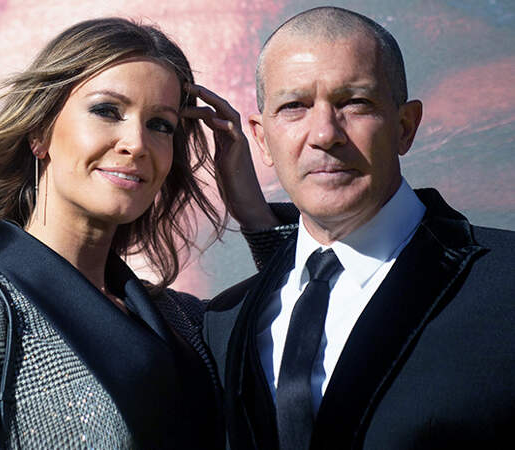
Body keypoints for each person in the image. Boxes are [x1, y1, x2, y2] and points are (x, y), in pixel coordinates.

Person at [0, 18, 277, 449]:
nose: (136, 143)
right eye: (107, 111)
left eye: (160, 124)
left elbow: (310, 332)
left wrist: (253, 212)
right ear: (40, 133)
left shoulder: (181, 320)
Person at [203, 6, 515, 450]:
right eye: (294, 107)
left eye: (355, 103)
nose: (324, 134)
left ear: (405, 127)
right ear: (261, 138)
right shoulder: (223, 323)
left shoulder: (506, 283)